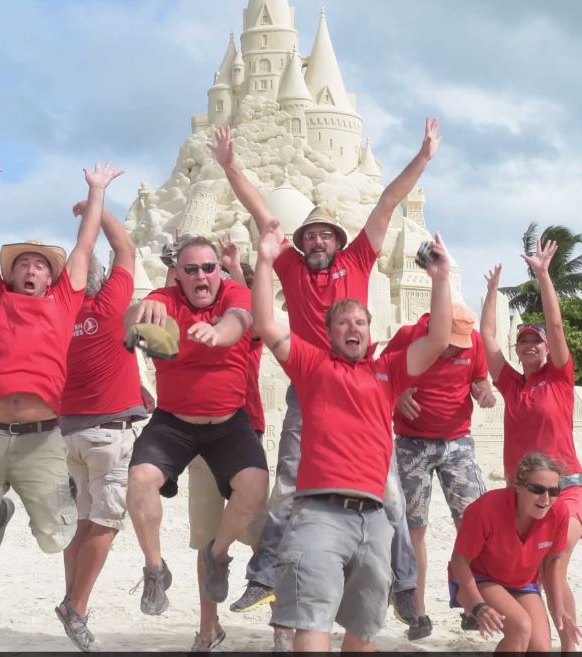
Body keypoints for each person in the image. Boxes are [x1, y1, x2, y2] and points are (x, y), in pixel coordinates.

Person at [213, 118, 440, 639]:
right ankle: (266, 573)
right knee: (289, 478)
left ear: (338, 241)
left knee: (389, 490)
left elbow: (385, 203)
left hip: (364, 387)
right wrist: (230, 166)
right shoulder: (291, 266)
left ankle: (406, 588)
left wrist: (423, 158)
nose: (316, 240)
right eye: (309, 234)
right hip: (310, 383)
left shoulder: (358, 258)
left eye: (325, 234)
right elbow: (262, 215)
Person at [251, 225, 453, 652]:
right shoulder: (312, 366)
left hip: (375, 519)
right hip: (319, 514)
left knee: (364, 633)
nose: (352, 326)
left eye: (359, 320)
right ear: (329, 333)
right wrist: (265, 261)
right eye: (343, 322)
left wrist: (441, 278)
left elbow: (437, 339)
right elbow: (269, 326)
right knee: (312, 621)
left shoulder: (388, 372)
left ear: (369, 329)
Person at [0, 162, 122, 560]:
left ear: (49, 278)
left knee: (54, 541)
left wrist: (97, 191)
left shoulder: (63, 302)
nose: (31, 268)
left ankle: (43, 497)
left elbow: (86, 246)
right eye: (23, 263)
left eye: (39, 265)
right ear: (11, 275)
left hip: (41, 436)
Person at [124, 235, 269, 643]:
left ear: (220, 271)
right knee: (139, 482)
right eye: (191, 270)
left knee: (257, 498)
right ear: (178, 275)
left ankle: (221, 557)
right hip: (175, 423)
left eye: (209, 268)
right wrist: (139, 311)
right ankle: (155, 570)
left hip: (231, 424)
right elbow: (131, 321)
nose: (201, 276)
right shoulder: (165, 298)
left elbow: (239, 319)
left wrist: (216, 334)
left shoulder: (236, 294)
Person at [481, 240, 582, 651]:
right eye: (523, 341)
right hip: (522, 494)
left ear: (546, 348)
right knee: (538, 572)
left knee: (556, 564)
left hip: (566, 488)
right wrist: (491, 292)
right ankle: (540, 638)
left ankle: (569, 646)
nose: (530, 345)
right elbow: (487, 338)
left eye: (536, 341)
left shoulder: (559, 377)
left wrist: (543, 274)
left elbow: (557, 327)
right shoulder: (511, 384)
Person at [54, 201, 146, 651]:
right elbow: (125, 247)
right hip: (109, 432)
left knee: (84, 522)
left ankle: (71, 603)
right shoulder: (111, 304)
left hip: (68, 433)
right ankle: (77, 607)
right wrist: (98, 207)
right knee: (106, 524)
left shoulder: (58, 316)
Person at [380, 301, 493, 640]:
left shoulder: (473, 343)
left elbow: (481, 379)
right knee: (414, 528)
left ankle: (472, 604)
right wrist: (396, 393)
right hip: (413, 443)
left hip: (457, 442)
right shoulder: (408, 336)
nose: (452, 349)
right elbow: (377, 376)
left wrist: (485, 392)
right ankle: (418, 612)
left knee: (475, 523)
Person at [180, 234, 267, 652]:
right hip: (200, 435)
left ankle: (282, 626)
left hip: (244, 431)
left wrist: (235, 269)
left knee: (263, 535)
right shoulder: (200, 326)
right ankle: (208, 628)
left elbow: (248, 308)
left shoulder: (246, 327)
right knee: (205, 532)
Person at [449, 452, 582, 653]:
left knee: (540, 649)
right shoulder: (485, 509)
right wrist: (478, 605)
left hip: (522, 583)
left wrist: (558, 610)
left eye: (554, 491)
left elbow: (553, 562)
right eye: (537, 489)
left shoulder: (560, 512)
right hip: (479, 579)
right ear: (518, 486)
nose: (546, 499)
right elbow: (460, 562)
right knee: (520, 626)